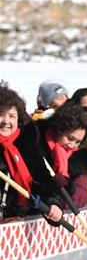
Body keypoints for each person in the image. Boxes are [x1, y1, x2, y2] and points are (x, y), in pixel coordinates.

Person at [0, 85, 63, 222]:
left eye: (12, 116)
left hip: (18, 224)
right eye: (0, 115)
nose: (6, 121)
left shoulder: (26, 146)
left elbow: (43, 180)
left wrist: (53, 203)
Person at [37, 101, 87, 209]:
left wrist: (69, 187)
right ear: (58, 130)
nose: (72, 145)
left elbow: (81, 197)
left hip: (57, 213)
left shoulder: (79, 159)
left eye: (78, 141)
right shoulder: (35, 144)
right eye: (70, 138)